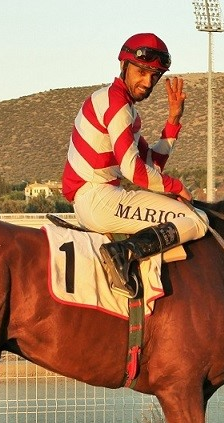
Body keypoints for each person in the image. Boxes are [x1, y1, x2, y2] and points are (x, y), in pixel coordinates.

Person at [62, 32, 208, 297]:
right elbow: (134, 171)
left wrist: (173, 121)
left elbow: (151, 163)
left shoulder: (119, 104)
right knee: (196, 220)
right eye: (142, 71)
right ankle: (122, 253)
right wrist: (176, 186)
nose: (147, 81)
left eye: (155, 75)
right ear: (124, 65)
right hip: (99, 198)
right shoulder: (117, 105)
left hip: (95, 199)